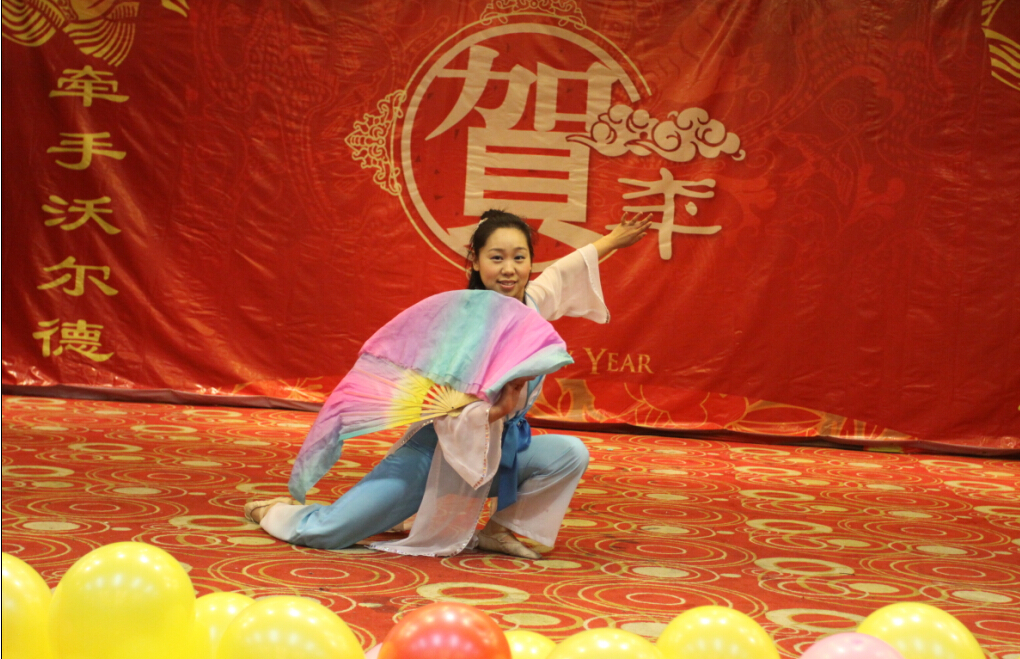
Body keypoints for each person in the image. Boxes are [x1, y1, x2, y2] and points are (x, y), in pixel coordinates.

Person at [244, 209, 650, 558]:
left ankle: (500, 530)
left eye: (519, 257)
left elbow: (566, 270)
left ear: (530, 261)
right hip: (435, 454)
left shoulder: (532, 304)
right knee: (329, 533)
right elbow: (444, 414)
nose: (509, 269)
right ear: (476, 262)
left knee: (570, 453)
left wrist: (615, 239)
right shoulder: (459, 325)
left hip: (499, 452)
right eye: (496, 258)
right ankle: (274, 511)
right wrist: (497, 410)